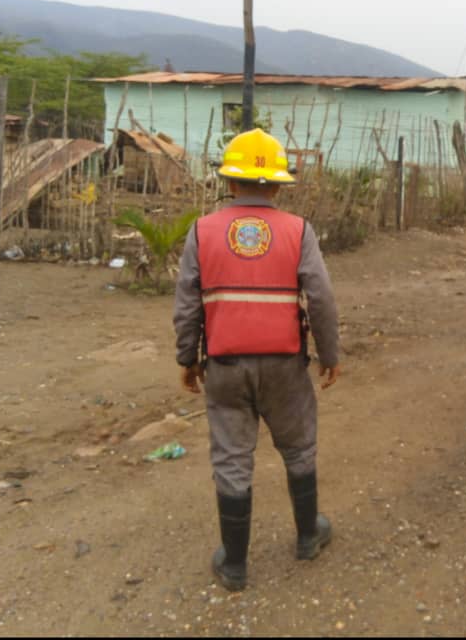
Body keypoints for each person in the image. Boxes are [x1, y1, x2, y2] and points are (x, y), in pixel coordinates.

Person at [173, 128, 341, 592]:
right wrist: (330, 354)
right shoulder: (298, 230)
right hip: (286, 366)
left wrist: (187, 357)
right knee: (299, 447)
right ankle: (308, 536)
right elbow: (322, 297)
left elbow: (188, 302)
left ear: (230, 182)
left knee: (231, 458)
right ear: (278, 185)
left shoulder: (202, 230)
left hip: (225, 366)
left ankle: (235, 566)